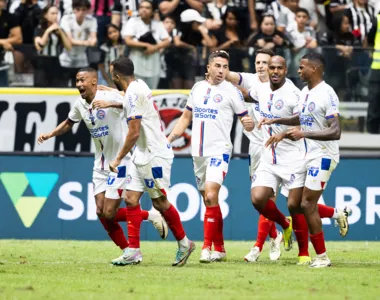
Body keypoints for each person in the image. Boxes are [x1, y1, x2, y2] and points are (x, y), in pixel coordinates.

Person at [37, 67, 167, 262]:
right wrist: (50, 134)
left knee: (109, 211)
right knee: (100, 212)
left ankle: (147, 219)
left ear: (93, 82)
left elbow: (133, 104)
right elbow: (68, 123)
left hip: (120, 162)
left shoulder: (109, 95)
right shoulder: (80, 104)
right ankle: (129, 250)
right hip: (100, 164)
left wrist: (110, 103)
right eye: (77, 81)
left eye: (82, 80)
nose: (79, 84)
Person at [168, 50, 255, 263]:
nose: (221, 71)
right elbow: (185, 118)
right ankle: (221, 249)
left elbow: (246, 119)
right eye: (217, 66)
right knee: (210, 203)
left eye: (225, 67)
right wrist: (169, 139)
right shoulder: (197, 88)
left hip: (220, 151)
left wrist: (249, 124)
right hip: (198, 153)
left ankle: (206, 248)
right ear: (208, 67)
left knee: (210, 196)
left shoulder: (232, 92)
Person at [108, 57, 195, 267]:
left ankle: (184, 243)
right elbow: (130, 104)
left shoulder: (133, 93)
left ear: (117, 76)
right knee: (130, 198)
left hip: (154, 155)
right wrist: (113, 99)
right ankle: (133, 251)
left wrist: (118, 158)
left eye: (112, 75)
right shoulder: (139, 85)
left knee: (159, 202)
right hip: (142, 154)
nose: (111, 78)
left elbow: (134, 132)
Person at [262, 53, 345, 268]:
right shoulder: (306, 92)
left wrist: (304, 134)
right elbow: (301, 118)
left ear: (314, 69)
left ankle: (322, 257)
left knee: (308, 203)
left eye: (302, 68)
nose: (299, 71)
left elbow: (335, 131)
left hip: (323, 155)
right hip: (306, 155)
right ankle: (337, 214)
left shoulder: (327, 93)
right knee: (293, 203)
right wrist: (278, 122)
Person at [226, 49, 283, 262]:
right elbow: (230, 75)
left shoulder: (281, 88)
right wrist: (219, 64)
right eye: (258, 62)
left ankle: (257, 247)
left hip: (276, 148)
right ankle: (275, 235)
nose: (260, 66)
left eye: (265, 63)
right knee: (261, 201)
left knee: (269, 197)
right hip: (255, 148)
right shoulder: (250, 80)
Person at [33, 5, 72, 87]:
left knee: (56, 87)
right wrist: (48, 31)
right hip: (42, 62)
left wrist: (61, 32)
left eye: (57, 13)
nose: (55, 16)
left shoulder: (60, 30)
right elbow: (39, 46)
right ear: (45, 15)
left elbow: (68, 47)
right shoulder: (39, 29)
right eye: (52, 13)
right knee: (41, 88)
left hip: (56, 61)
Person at [366, 11, 380, 133]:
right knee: (374, 102)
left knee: (374, 102)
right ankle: (372, 135)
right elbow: (369, 40)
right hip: (377, 68)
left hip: (377, 69)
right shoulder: (378, 19)